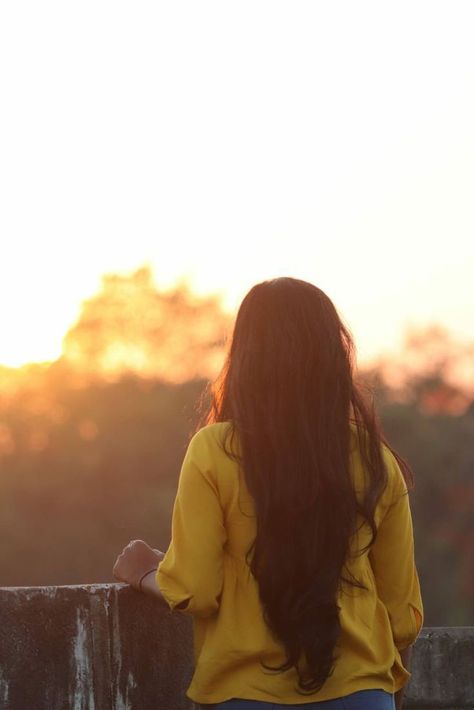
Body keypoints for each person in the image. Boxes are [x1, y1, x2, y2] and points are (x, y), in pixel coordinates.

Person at [113, 277, 423, 710]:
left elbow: (197, 589)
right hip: (362, 693)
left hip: (244, 695)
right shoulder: (375, 460)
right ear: (333, 355)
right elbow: (402, 615)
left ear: (245, 356)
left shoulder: (214, 449)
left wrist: (146, 572)